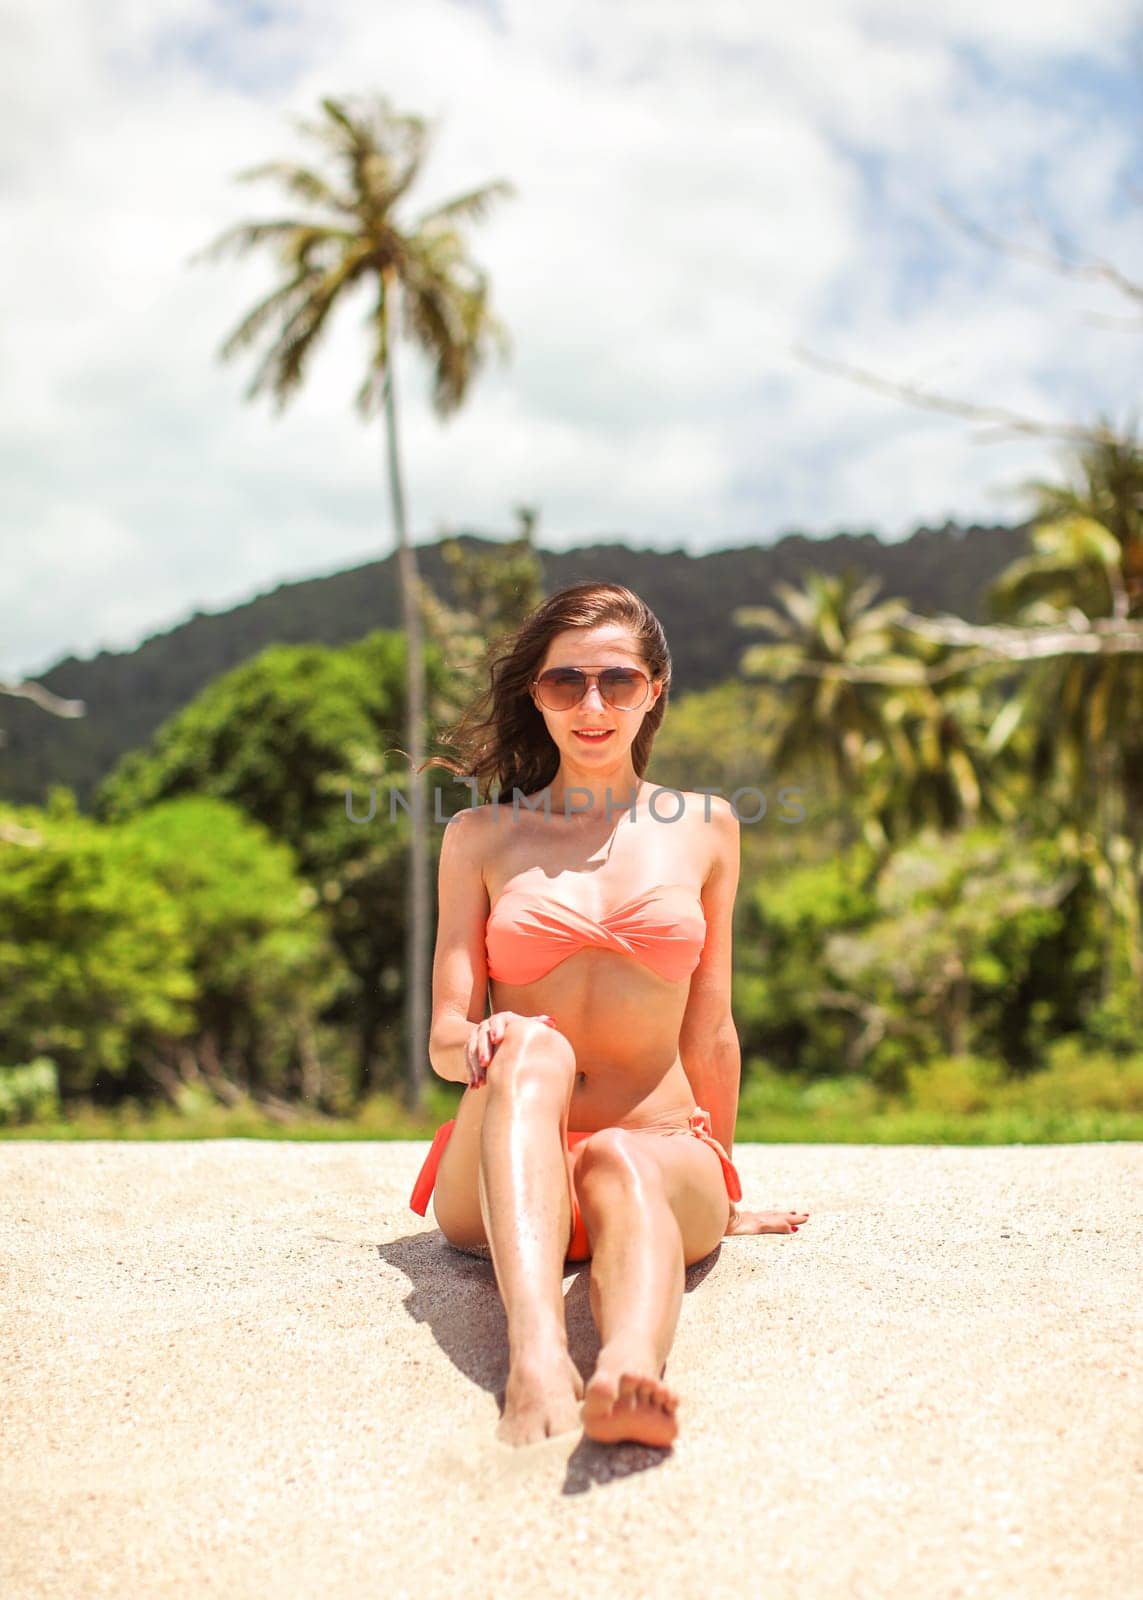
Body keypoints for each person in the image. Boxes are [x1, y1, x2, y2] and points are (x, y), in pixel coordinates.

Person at [410, 581, 808, 1448]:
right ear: (536, 695)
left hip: (657, 1153)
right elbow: (445, 1041)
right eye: (565, 683)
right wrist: (480, 1038)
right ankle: (537, 1357)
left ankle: (629, 1367)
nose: (592, 705)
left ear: (654, 689)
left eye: (618, 681)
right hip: (506, 1170)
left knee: (626, 1156)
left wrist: (724, 1181)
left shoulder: (707, 827)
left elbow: (710, 1028)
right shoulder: (480, 837)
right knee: (531, 1044)